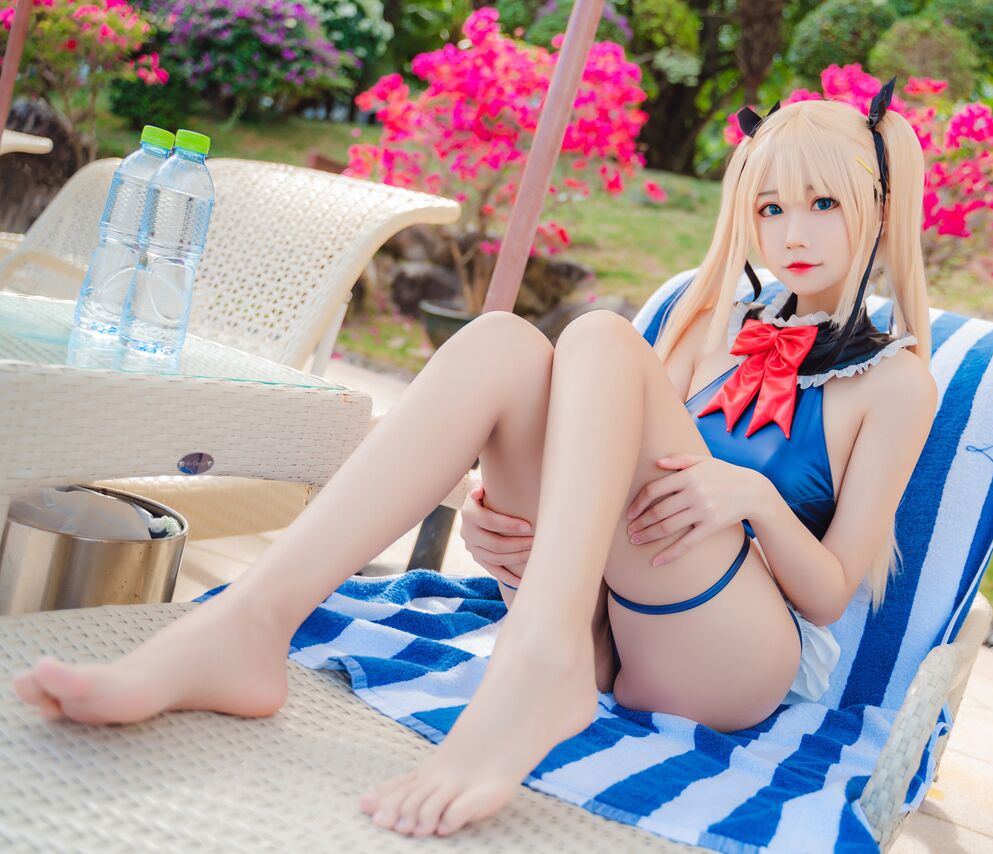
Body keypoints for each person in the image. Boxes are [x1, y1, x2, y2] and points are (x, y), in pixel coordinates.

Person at [10, 81, 937, 840]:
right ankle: (251, 624)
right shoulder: (711, 329)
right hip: (617, 621)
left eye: (823, 205)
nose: (793, 234)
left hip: (736, 655)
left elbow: (830, 593)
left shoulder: (895, 383)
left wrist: (755, 500)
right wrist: (515, 530)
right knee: (501, 340)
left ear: (880, 211)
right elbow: (607, 475)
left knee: (603, 337)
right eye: (771, 208)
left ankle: (540, 660)